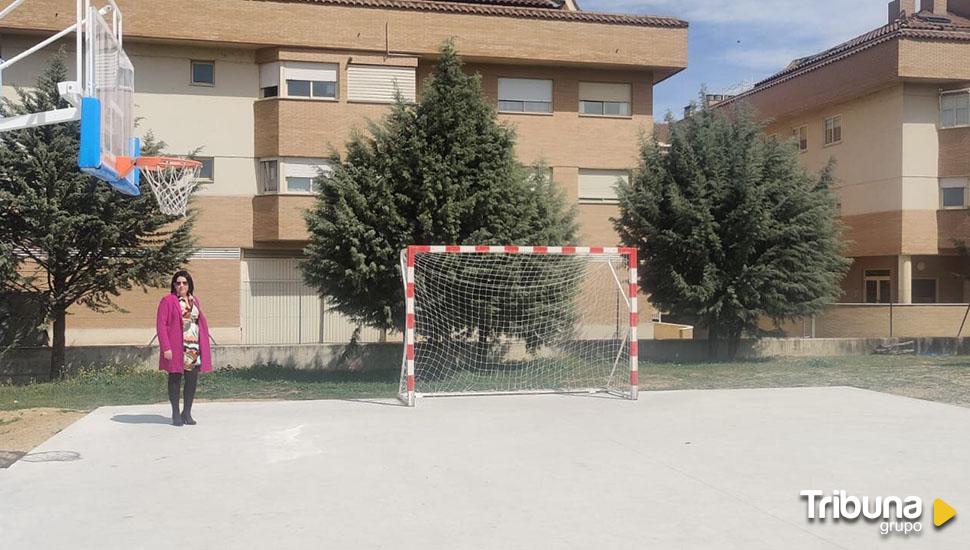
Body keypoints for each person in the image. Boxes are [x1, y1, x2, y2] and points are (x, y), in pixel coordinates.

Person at [156, 270, 212, 426]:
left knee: (191, 381)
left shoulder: (195, 301)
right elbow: (161, 325)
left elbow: (198, 322)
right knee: (175, 379)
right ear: (174, 285)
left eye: (184, 283)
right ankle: (175, 413)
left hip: (193, 346)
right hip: (176, 347)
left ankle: (186, 412)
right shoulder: (168, 300)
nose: (181, 285)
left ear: (189, 285)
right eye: (178, 283)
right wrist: (166, 347)